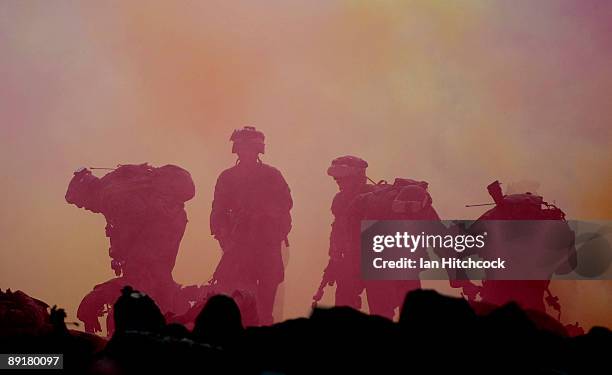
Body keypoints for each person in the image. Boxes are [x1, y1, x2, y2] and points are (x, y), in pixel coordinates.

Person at [65, 163, 195, 333]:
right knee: (158, 280)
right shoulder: (117, 186)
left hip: (156, 234)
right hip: (170, 224)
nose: (84, 207)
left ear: (84, 192)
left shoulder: (109, 195)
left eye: (80, 203)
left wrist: (123, 250)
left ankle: (97, 306)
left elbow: (131, 223)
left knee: (141, 282)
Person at [209, 126, 292, 325]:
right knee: (239, 304)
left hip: (266, 247)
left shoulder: (272, 176)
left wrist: (266, 220)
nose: (246, 153)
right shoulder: (227, 177)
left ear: (258, 151)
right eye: (242, 149)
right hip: (238, 248)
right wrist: (226, 239)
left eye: (250, 149)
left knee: (265, 308)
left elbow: (285, 205)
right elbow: (217, 213)